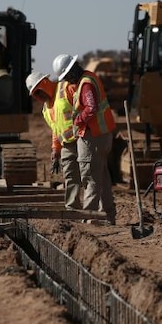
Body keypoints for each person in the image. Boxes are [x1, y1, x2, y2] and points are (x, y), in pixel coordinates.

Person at [53, 54, 117, 224]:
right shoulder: (90, 77)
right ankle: (108, 216)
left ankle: (90, 218)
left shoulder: (85, 83)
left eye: (67, 76)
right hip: (102, 135)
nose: (67, 80)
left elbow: (91, 107)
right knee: (102, 176)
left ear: (72, 71)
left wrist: (78, 120)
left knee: (90, 178)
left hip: (93, 137)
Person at [25, 71, 81, 210]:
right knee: (70, 176)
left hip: (83, 139)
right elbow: (56, 130)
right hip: (67, 145)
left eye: (38, 92)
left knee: (90, 175)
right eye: (35, 95)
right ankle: (73, 209)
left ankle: (98, 210)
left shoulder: (66, 87)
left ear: (45, 83)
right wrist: (55, 150)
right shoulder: (46, 109)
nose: (38, 97)